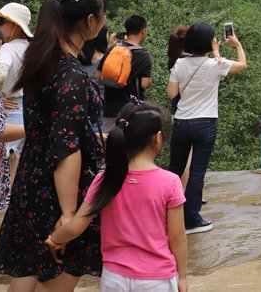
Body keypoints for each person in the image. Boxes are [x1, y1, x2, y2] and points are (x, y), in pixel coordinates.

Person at [0, 0, 106, 290]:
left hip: (31, 181)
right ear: (90, 21)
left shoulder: (41, 60)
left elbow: (49, 128)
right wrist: (69, 213)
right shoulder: (71, 74)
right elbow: (66, 149)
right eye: (103, 14)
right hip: (58, 191)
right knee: (55, 275)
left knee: (27, 270)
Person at [45, 101, 188, 292]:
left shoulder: (105, 179)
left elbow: (77, 226)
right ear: (158, 138)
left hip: (114, 279)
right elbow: (177, 236)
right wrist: (183, 276)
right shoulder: (169, 182)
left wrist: (55, 239)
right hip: (156, 279)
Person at [167, 21, 247, 234]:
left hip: (182, 122)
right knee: (196, 172)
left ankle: (165, 214)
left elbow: (171, 94)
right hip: (205, 124)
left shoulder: (178, 64)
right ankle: (191, 221)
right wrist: (236, 46)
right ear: (209, 42)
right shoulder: (216, 64)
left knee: (174, 170)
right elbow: (242, 65)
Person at [0, 1, 34, 187]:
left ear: (16, 26)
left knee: (5, 164)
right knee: (20, 164)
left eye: (1, 21)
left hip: (9, 112)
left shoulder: (7, 49)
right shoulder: (33, 48)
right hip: (28, 110)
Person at [101, 14, 153, 133]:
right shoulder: (144, 54)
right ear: (143, 31)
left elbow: (98, 75)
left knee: (107, 143)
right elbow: (144, 84)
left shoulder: (112, 49)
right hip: (130, 109)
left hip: (109, 107)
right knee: (127, 146)